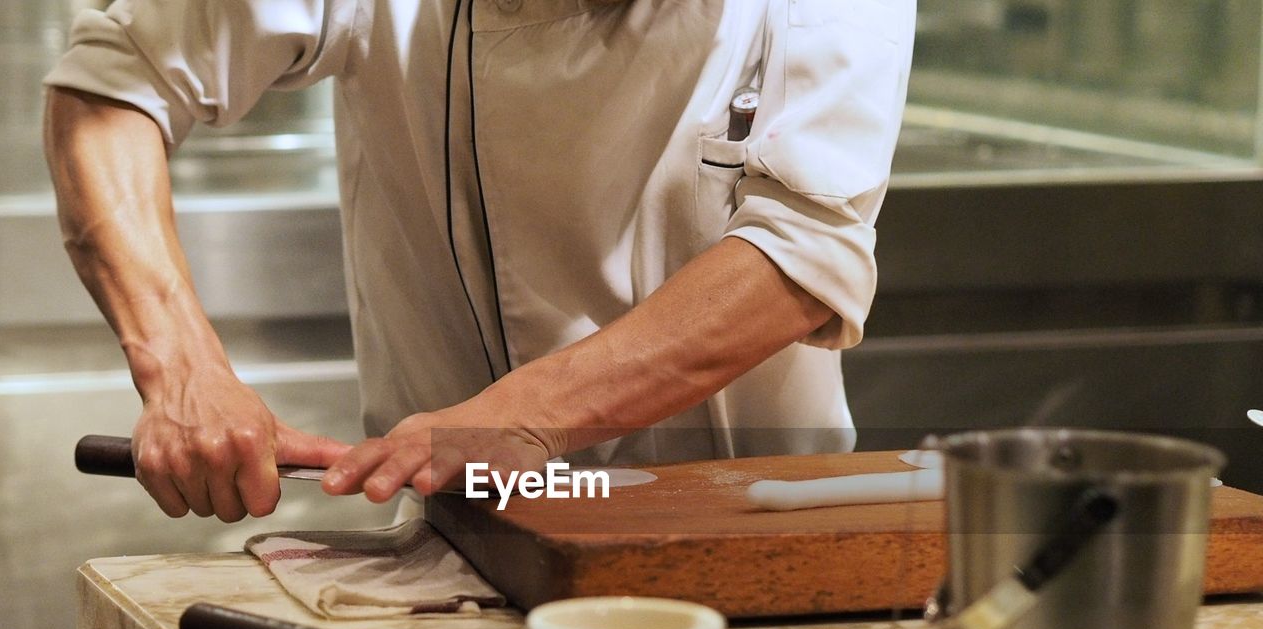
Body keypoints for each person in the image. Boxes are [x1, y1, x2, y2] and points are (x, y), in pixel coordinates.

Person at [44, 0, 915, 522]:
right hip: (460, 549)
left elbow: (799, 251)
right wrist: (183, 370)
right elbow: (114, 85)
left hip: (748, 520)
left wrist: (524, 415)